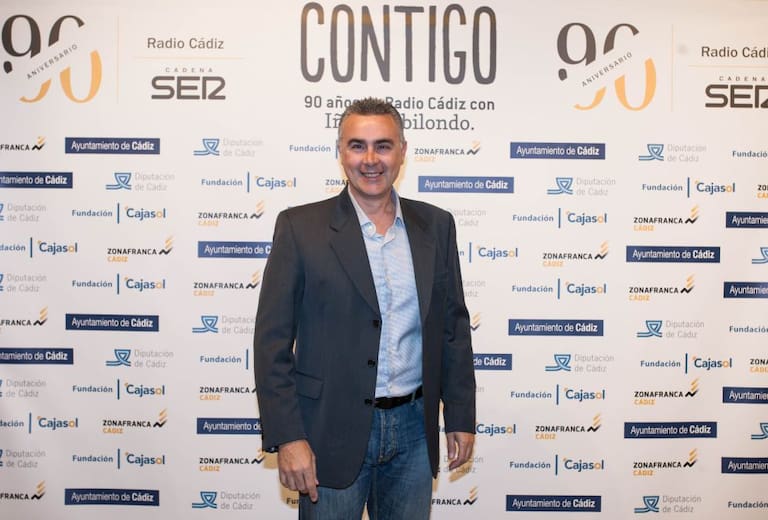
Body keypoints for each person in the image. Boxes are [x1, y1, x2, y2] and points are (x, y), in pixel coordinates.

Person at [253, 97, 476, 519]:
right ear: (340, 152)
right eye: (357, 146)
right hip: (327, 432)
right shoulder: (300, 228)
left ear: (402, 152)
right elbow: (271, 344)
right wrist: (288, 437)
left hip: (414, 431)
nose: (370, 160)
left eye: (383, 146)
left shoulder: (436, 225)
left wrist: (461, 416)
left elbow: (452, 329)